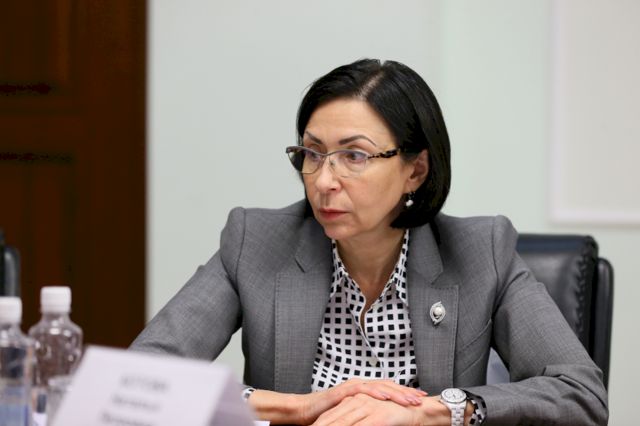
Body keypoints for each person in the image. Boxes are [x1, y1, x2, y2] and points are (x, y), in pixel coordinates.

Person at [131, 59, 608, 425]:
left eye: (354, 156)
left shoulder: (482, 251)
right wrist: (296, 407)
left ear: (415, 171)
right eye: (312, 153)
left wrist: (430, 412)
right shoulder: (255, 242)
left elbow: (581, 395)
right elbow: (141, 379)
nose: (324, 181)